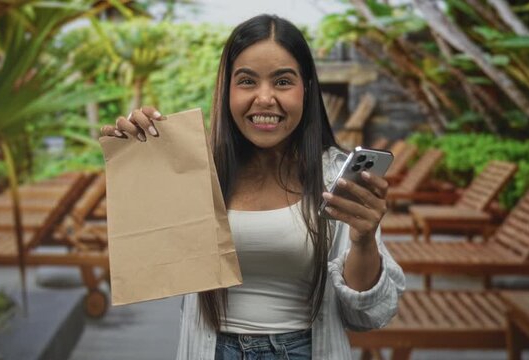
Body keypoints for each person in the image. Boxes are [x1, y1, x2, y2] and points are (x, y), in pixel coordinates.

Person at [100, 14, 405, 360]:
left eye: (282, 82)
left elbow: (367, 315)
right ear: (227, 88)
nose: (264, 98)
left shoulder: (335, 176)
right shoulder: (199, 171)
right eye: (247, 81)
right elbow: (148, 255)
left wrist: (364, 239)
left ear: (306, 88)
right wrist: (136, 160)